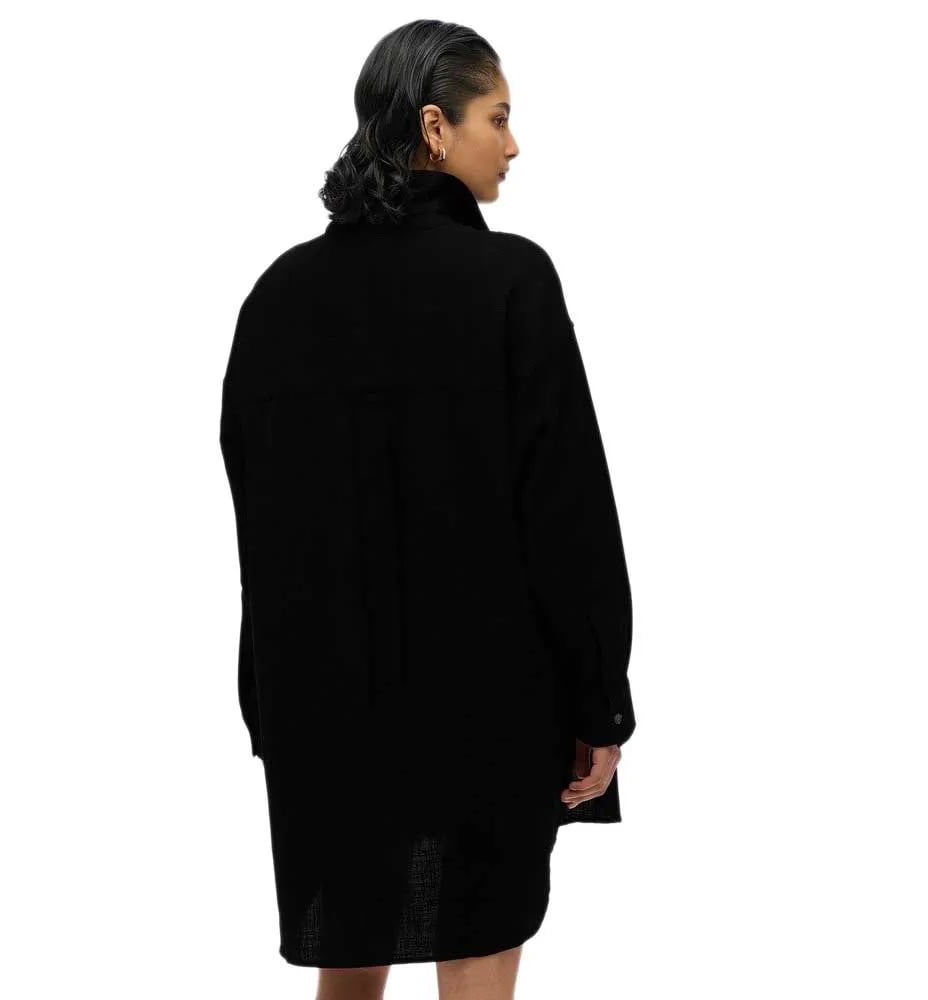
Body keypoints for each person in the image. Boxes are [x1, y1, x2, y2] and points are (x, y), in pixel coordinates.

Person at [219, 18, 636, 999]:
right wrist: (600, 697)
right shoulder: (509, 279)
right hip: (488, 702)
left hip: (321, 707)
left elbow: (258, 521)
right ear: (436, 128)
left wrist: (266, 699)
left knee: (348, 950)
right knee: (478, 941)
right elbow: (565, 508)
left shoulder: (277, 296)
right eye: (499, 116)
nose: (514, 143)